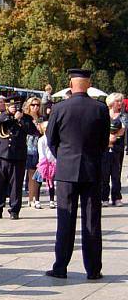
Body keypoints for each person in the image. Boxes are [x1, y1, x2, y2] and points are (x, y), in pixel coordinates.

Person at [45, 68, 110, 280]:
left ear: (71, 84)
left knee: (65, 219)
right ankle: (93, 269)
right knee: (92, 221)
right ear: (89, 84)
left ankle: (60, 266)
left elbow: (51, 140)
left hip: (66, 171)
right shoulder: (100, 109)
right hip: (91, 170)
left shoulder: (59, 108)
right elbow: (103, 143)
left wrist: (64, 158)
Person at [0, 96, 40, 220]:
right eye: (12, 106)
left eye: (16, 106)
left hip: (18, 155)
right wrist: (8, 114)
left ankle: (14, 210)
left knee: (16, 184)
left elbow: (33, 131)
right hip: (1, 153)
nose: (14, 108)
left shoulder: (26, 118)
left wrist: (20, 119)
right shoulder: (2, 116)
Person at [102, 93, 125, 206]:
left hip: (117, 148)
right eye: (118, 101)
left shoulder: (123, 116)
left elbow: (123, 130)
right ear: (111, 102)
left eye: (121, 101)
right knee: (104, 174)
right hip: (105, 148)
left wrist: (113, 139)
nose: (120, 103)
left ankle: (117, 197)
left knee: (116, 174)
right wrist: (107, 140)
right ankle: (104, 197)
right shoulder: (104, 115)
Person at [23, 96, 43, 209]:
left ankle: (35, 198)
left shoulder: (41, 118)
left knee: (37, 174)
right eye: (33, 105)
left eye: (37, 105)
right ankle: (31, 198)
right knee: (31, 174)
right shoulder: (26, 117)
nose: (35, 107)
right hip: (27, 148)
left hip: (39, 148)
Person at [37, 121, 56, 209]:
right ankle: (37, 200)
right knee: (39, 182)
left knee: (51, 182)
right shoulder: (41, 140)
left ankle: (52, 200)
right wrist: (44, 162)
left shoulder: (54, 140)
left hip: (53, 163)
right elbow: (41, 152)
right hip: (43, 164)